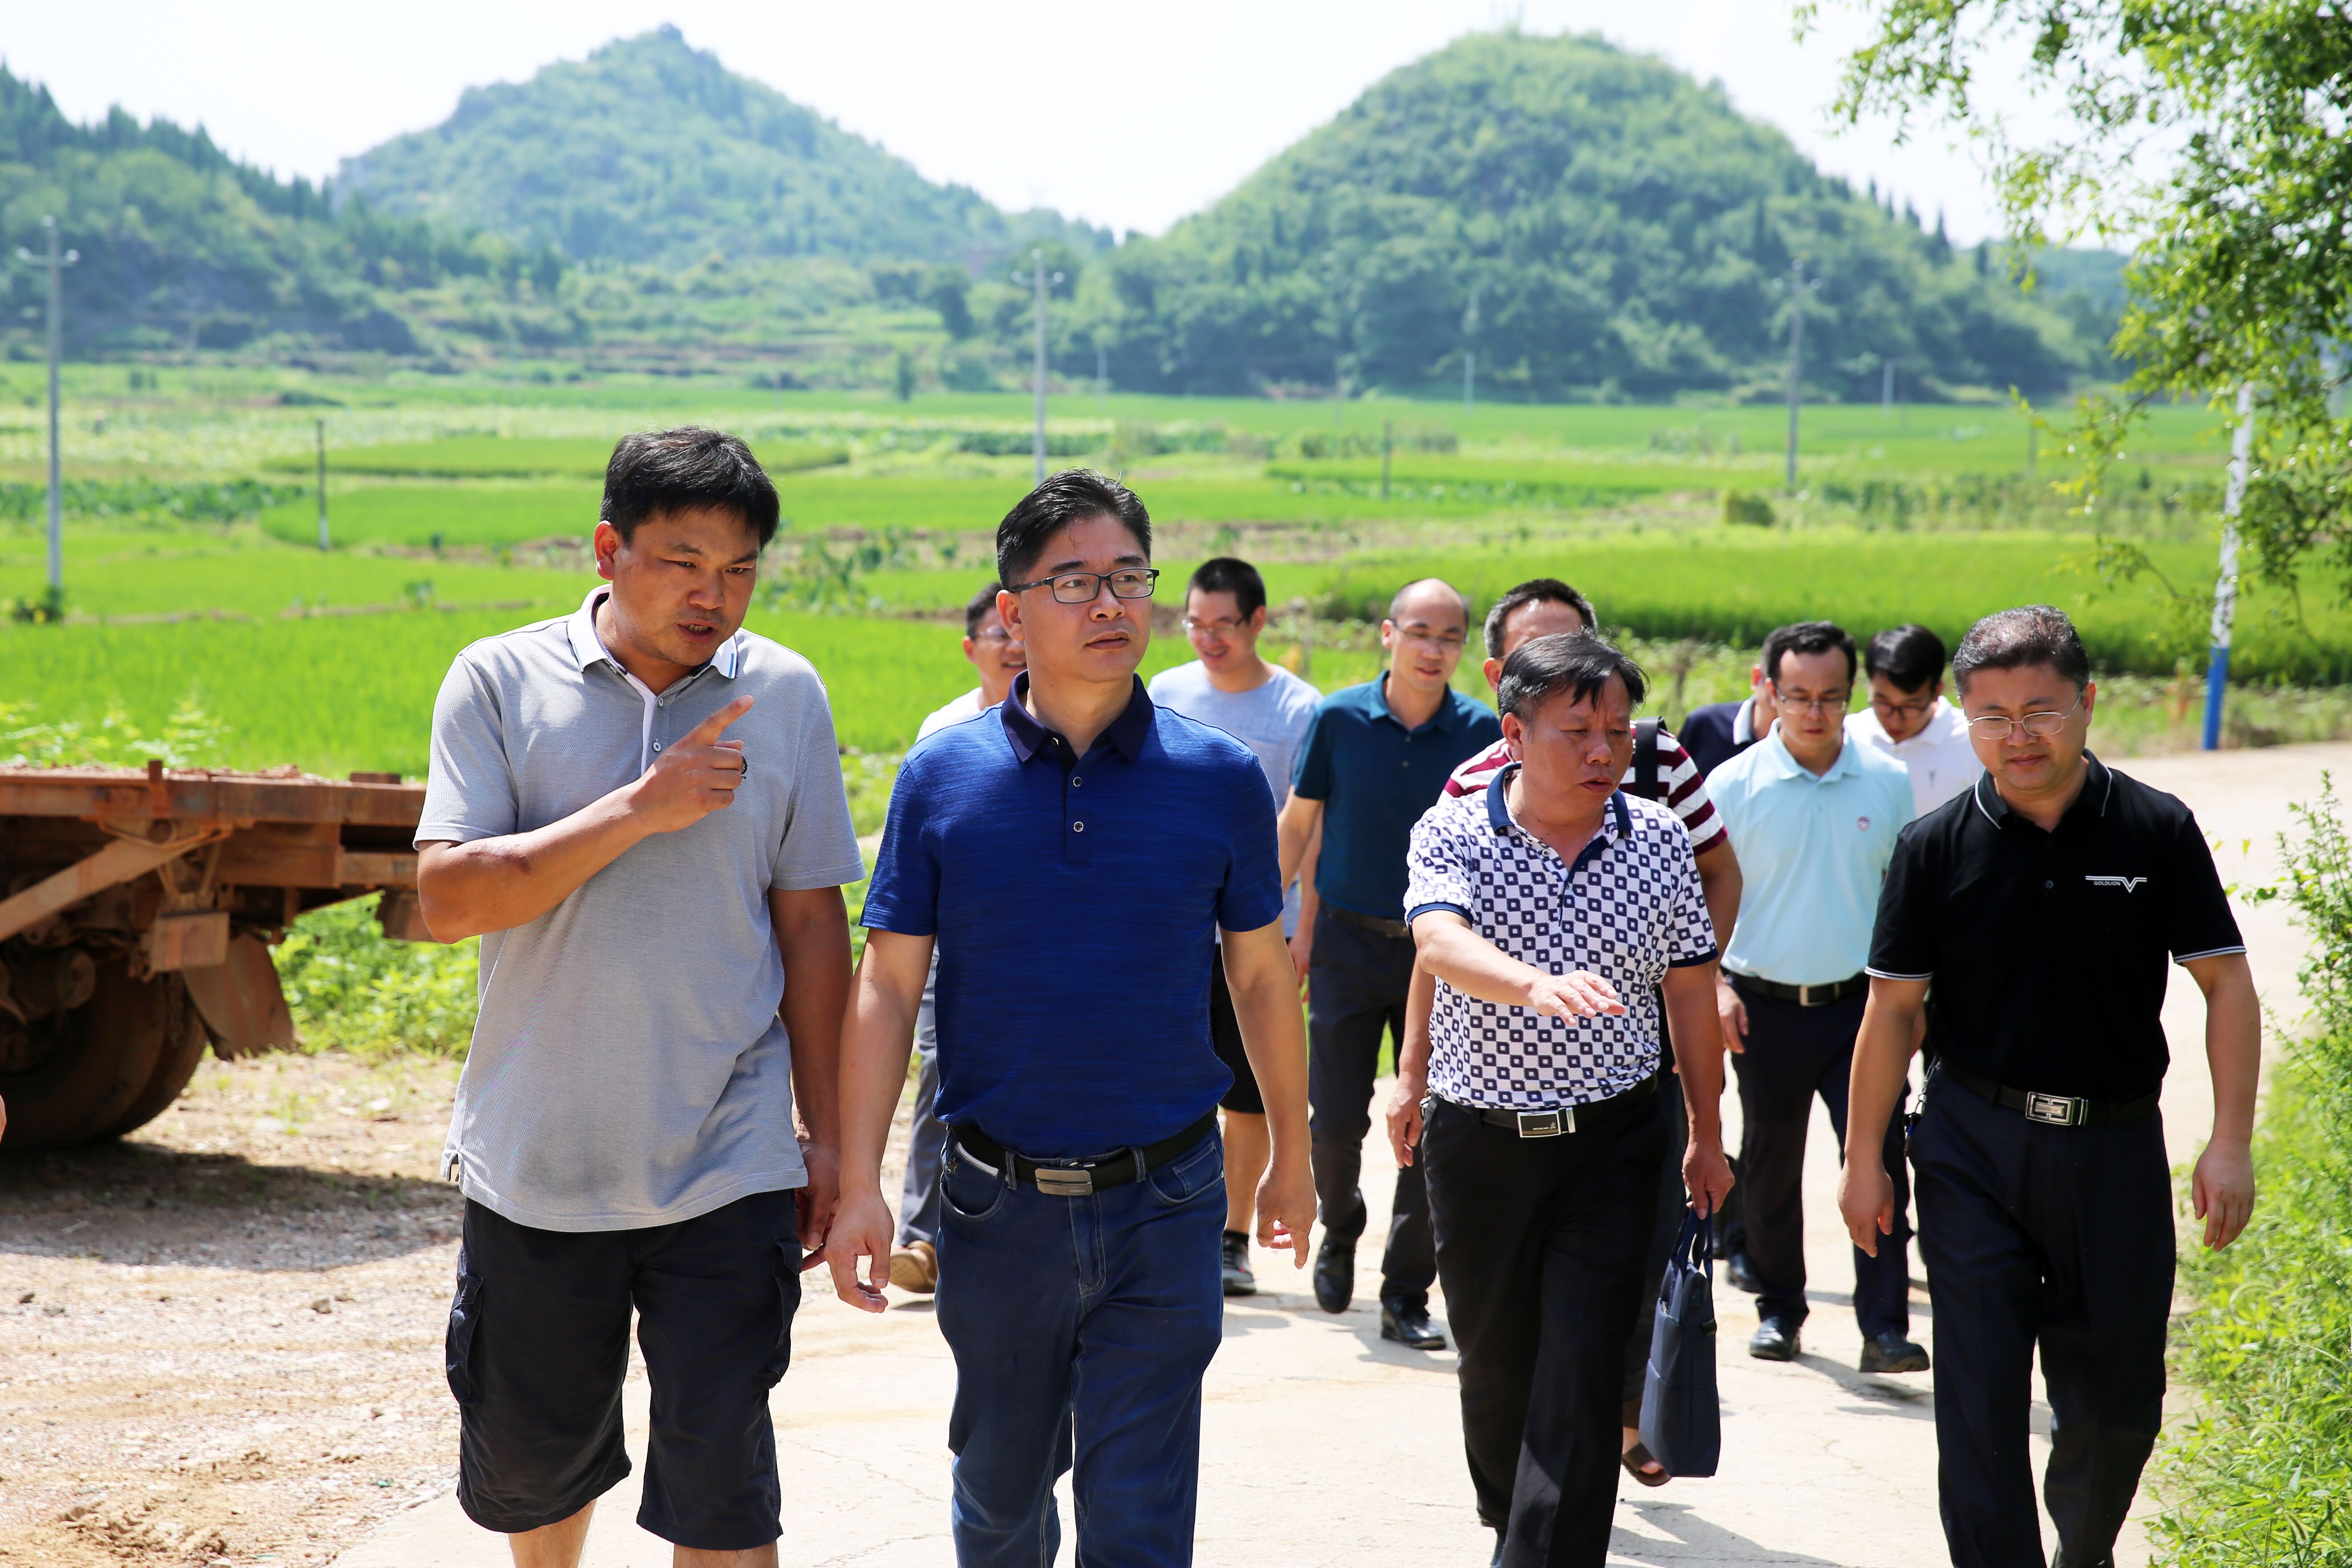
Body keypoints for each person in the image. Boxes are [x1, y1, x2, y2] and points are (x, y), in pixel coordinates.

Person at [826, 470, 1318, 1567]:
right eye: (1075, 581)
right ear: (1012, 610)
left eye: (1129, 578)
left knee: (1139, 1515)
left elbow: (1258, 977)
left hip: (1167, 1196)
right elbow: (889, 983)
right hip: (995, 1201)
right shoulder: (942, 773)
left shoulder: (1220, 777)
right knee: (999, 1498)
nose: (1110, 603)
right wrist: (861, 1181)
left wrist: (1291, 1151)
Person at [413, 428, 865, 1568]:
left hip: (729, 1156)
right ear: (609, 549)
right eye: (684, 562)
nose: (715, 594)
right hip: (539, 1158)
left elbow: (814, 929)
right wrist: (640, 807)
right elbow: (451, 897)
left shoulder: (783, 692)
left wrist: (833, 1142)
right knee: (536, 1472)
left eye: (740, 568)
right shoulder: (499, 679)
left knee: (724, 1484)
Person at [1842, 605, 2259, 1568]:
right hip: (1971, 1144)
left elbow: (2227, 984)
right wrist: (1866, 1160)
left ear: (2088, 703)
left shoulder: (2155, 829)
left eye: (2040, 711)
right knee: (1980, 1393)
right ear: (1967, 718)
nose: (2018, 736)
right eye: (1992, 716)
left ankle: (2084, 1546)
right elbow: (1893, 1012)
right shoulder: (1934, 847)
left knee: (2119, 1398)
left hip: (2114, 1147)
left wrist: (2230, 1140)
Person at [1394, 633, 1733, 1568]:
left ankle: (1541, 1553)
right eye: (1577, 731)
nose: (1603, 751)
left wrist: (1707, 1134)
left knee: (1583, 1364)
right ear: (1514, 733)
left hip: (1614, 1141)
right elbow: (1437, 942)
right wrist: (1531, 985)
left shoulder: (1658, 839)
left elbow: (1691, 992)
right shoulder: (1455, 829)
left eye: (1618, 732)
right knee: (1496, 1369)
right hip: (1480, 1142)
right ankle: (1517, 1524)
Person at [1276, 577, 1502, 1349]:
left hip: (1439, 953)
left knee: (1432, 1124)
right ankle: (1340, 1227)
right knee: (1335, 1120)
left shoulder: (1480, 731)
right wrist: (1262, 924)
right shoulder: (1338, 719)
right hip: (1345, 944)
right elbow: (1299, 824)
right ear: (1388, 634)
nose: (1433, 650)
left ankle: (1406, 1290)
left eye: (1449, 637)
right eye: (1419, 633)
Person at [1706, 620, 1927, 1372]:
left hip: (1863, 1011)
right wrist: (1715, 984)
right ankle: (1779, 1310)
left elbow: (1907, 902)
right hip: (1762, 1007)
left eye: (1830, 697)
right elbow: (1696, 900)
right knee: (1771, 1165)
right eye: (1797, 695)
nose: (1813, 711)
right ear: (1768, 691)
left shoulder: (1887, 781)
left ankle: (1885, 1328)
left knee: (1880, 1157)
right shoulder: (1733, 785)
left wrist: (1915, 1001)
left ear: (1850, 696)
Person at [1147, 556, 1323, 1298]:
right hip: (1173, 933)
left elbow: (1312, 829)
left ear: (1258, 622)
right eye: (1196, 624)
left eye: (1224, 624)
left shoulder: (1299, 709)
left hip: (1262, 933)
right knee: (1166, 1084)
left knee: (1249, 1095)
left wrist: (1305, 931)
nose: (1209, 639)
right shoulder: (1163, 693)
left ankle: (1232, 1237)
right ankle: (1164, 1228)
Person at [887, 583, 1027, 1296]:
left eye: (1020, 634)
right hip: (953, 940)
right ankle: (921, 1237)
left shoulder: (1072, 724)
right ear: (973, 649)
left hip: (1036, 942)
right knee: (941, 1073)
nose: (1013, 648)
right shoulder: (943, 730)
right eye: (999, 636)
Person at [1846, 623, 1980, 816]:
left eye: (1911, 707)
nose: (1895, 721)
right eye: (1883, 703)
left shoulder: (1972, 743)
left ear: (1936, 691)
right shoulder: (1848, 736)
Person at [1678, 648, 1779, 779]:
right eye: (1777, 684)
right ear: (1757, 677)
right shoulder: (1706, 726)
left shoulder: (1806, 744)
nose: (1783, 695)